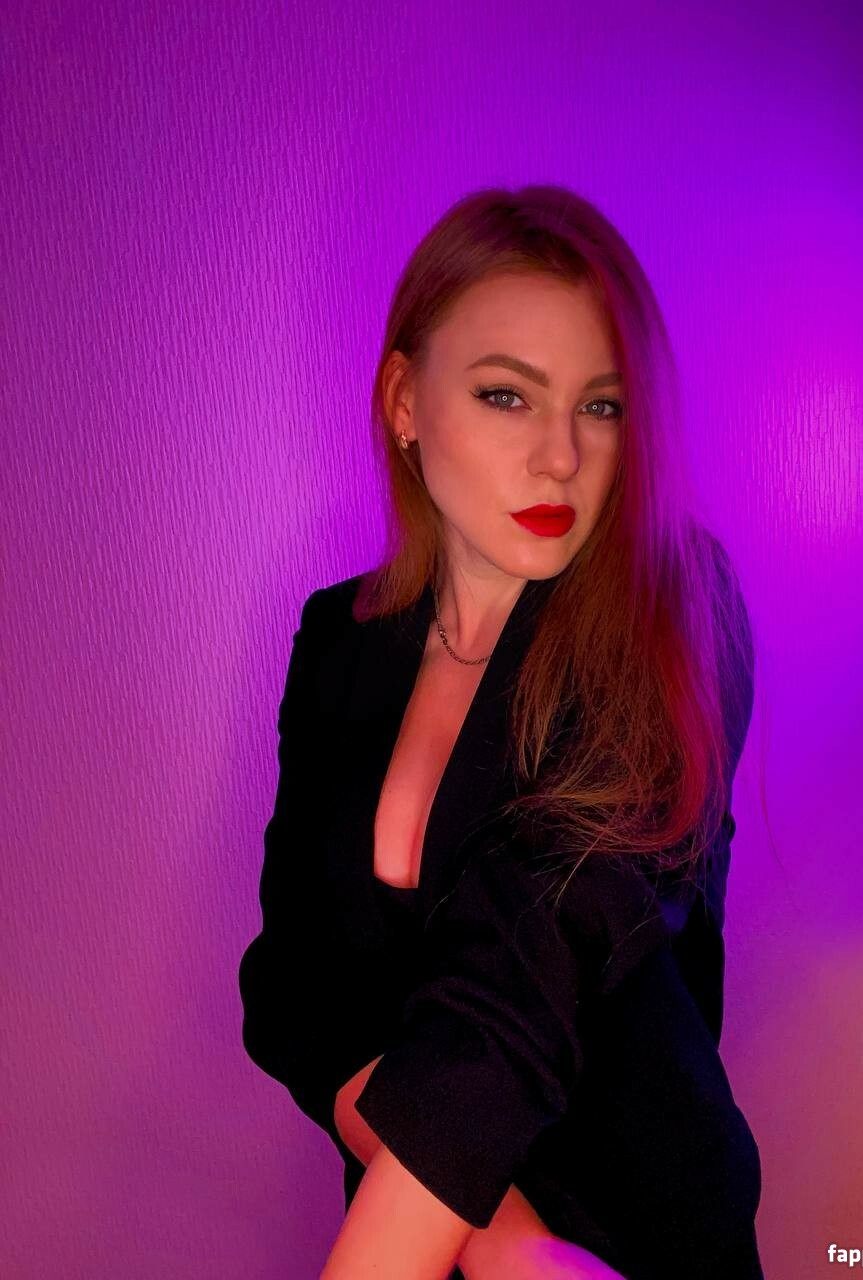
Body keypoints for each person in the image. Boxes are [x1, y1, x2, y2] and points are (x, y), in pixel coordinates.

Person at [238, 184, 763, 1280]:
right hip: (453, 1234)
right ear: (404, 401)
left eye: (601, 407)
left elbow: (531, 961)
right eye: (506, 396)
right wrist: (499, 1233)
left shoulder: (676, 613)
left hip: (626, 1246)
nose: (561, 457)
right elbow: (293, 987)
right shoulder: (339, 639)